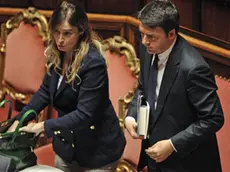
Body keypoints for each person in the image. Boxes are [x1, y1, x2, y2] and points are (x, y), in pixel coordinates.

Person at [8, 0, 126, 171]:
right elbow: (44, 92)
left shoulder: (93, 64)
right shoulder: (56, 54)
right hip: (67, 145)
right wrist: (20, 120)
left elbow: (84, 114)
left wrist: (42, 126)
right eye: (56, 32)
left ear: (81, 32)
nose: (60, 40)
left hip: (97, 150)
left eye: (67, 33)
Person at [125, 0, 224, 172]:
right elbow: (142, 88)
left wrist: (172, 144)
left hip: (188, 163)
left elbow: (213, 119)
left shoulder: (194, 68)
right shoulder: (150, 50)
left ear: (171, 34)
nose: (144, 41)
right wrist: (131, 116)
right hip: (155, 158)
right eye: (142, 34)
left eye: (151, 37)